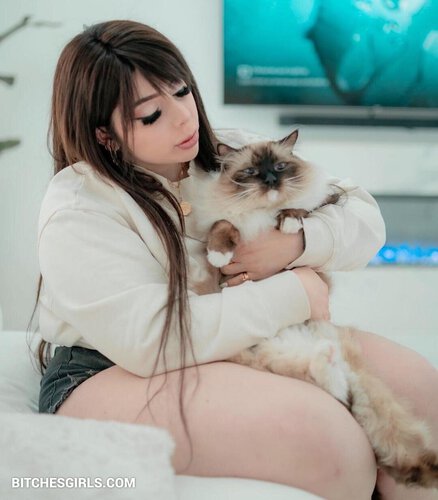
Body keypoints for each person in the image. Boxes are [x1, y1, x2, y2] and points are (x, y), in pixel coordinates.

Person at [32, 20, 438, 500]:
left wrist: (296, 246)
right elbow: (150, 340)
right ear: (105, 135)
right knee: (333, 449)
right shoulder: (78, 206)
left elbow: (362, 215)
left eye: (182, 92)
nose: (184, 119)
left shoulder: (230, 151)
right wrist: (296, 292)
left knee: (424, 393)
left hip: (247, 340)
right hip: (114, 367)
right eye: (152, 115)